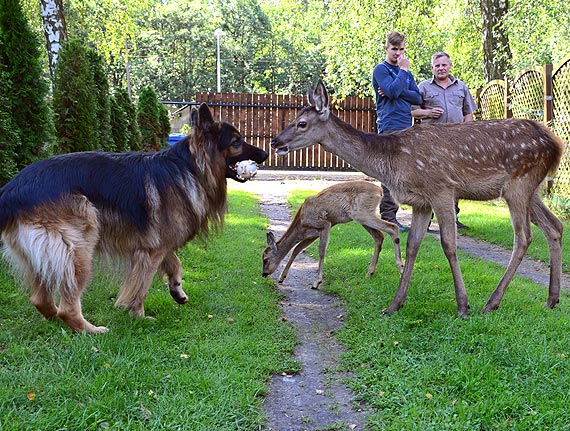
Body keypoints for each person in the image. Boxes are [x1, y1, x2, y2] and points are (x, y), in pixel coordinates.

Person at [412, 51, 477, 229]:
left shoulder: (461, 87)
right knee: (431, 181)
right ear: (432, 68)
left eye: (443, 65)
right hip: (431, 144)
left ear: (450, 66)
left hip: (456, 143)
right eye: (437, 66)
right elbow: (413, 111)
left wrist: (466, 134)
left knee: (454, 179)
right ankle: (427, 218)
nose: (441, 68)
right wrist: (428, 113)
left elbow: (468, 113)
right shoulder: (423, 87)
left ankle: (453, 218)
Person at [372, 31, 421, 232]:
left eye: (401, 49)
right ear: (386, 49)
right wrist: (401, 74)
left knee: (404, 173)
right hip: (389, 127)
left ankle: (396, 216)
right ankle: (389, 217)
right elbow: (391, 92)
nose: (398, 54)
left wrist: (397, 90)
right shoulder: (381, 70)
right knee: (390, 174)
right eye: (394, 49)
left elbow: (417, 98)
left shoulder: (405, 74)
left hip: (407, 128)